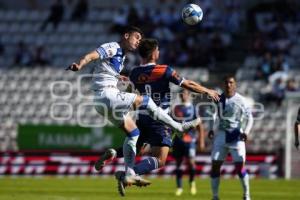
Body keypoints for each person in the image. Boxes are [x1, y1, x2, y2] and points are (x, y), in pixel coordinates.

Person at [67, 26, 214, 196]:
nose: (138, 41)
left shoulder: (129, 66)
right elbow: (93, 55)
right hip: (112, 98)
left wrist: (118, 78)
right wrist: (80, 64)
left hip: (103, 103)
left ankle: (127, 170)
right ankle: (178, 127)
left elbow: (111, 75)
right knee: (148, 107)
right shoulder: (113, 47)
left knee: (133, 134)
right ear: (126, 35)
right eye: (136, 37)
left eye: (140, 39)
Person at [110, 38, 218, 195]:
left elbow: (128, 95)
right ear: (154, 53)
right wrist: (207, 91)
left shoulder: (134, 72)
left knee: (137, 149)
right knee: (160, 159)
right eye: (158, 50)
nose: (159, 52)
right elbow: (188, 84)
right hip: (160, 119)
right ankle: (130, 173)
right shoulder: (164, 70)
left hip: (141, 118)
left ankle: (113, 153)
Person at [208, 76, 253, 200]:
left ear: (235, 85)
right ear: (224, 84)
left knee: (240, 168)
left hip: (236, 135)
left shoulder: (241, 100)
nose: (228, 85)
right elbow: (213, 115)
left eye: (231, 83)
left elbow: (250, 118)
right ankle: (215, 196)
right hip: (221, 135)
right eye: (226, 82)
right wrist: (211, 129)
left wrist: (247, 132)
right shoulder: (218, 98)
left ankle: (246, 195)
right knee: (215, 165)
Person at [172, 89, 205, 196]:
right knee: (178, 164)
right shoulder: (175, 108)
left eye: (185, 93)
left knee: (191, 163)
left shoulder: (193, 108)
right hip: (178, 140)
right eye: (181, 93)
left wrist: (201, 141)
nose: (183, 95)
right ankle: (179, 187)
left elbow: (200, 125)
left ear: (189, 95)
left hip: (190, 140)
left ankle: (192, 183)